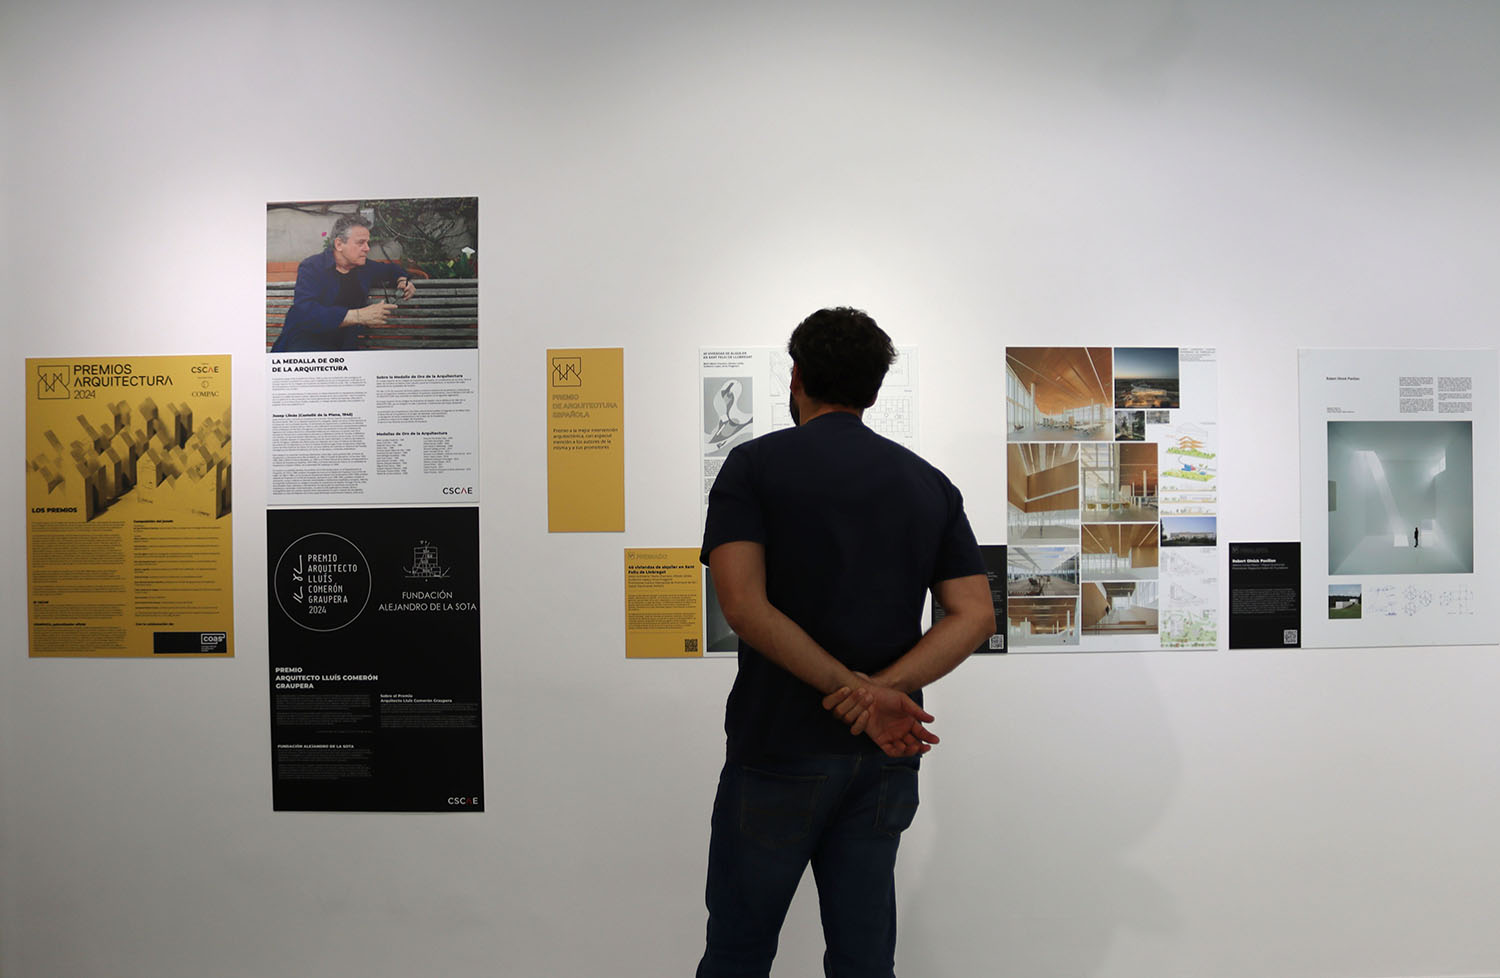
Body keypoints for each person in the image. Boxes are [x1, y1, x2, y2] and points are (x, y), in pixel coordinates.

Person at [697, 307, 996, 978]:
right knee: (864, 960)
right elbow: (975, 615)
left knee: (738, 953)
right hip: (882, 755)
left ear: (795, 377)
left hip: (776, 748)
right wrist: (880, 695)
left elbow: (743, 606)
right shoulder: (928, 483)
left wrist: (852, 692)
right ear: (875, 388)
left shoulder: (754, 466)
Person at [270, 214, 416, 352]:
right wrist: (359, 316)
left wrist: (402, 279)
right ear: (339, 244)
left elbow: (391, 269)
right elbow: (307, 313)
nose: (367, 248)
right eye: (360, 243)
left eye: (367, 242)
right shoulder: (312, 267)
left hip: (344, 348)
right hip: (305, 345)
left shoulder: (363, 267)